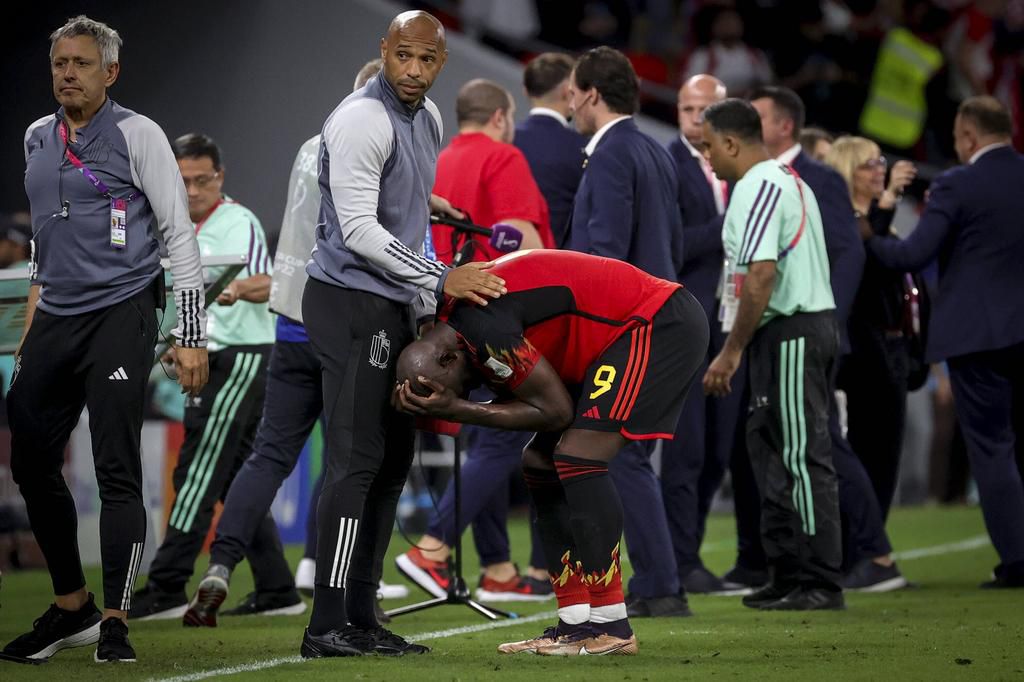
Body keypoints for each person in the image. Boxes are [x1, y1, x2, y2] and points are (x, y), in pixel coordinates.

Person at [298, 10, 507, 658]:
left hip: (391, 305)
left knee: (391, 466)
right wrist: (442, 277)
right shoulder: (362, 119)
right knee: (356, 462)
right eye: (403, 56)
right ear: (383, 50)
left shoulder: (430, 118)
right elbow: (359, 229)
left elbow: (402, 208)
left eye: (427, 59)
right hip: (347, 303)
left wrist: (423, 288)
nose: (414, 70)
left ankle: (363, 616)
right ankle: (324, 624)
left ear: (442, 62)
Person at [3, 15, 208, 663]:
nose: (68, 73)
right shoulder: (36, 137)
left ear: (110, 72)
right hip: (56, 317)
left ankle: (116, 620)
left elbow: (178, 234)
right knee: (30, 459)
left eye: (81, 63)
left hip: (123, 312)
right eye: (60, 63)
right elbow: (45, 238)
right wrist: (31, 324)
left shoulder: (138, 134)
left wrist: (192, 334)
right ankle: (73, 608)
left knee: (115, 466)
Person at [182, 58, 410, 630]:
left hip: (290, 320)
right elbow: (370, 231)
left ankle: (220, 566)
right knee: (352, 464)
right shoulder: (377, 144)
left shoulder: (312, 146)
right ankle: (353, 593)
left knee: (268, 457)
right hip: (346, 321)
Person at [393, 249, 709, 655]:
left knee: (580, 456)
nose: (470, 390)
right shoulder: (460, 326)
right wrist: (453, 405)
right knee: (539, 463)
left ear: (448, 357)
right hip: (611, 337)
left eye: (460, 386)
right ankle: (574, 624)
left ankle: (612, 625)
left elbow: (555, 411)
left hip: (655, 321)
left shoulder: (482, 329)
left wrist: (458, 409)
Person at [397, 78, 554, 603]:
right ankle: (433, 547)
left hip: (447, 315)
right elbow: (525, 244)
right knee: (503, 437)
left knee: (480, 436)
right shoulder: (504, 157)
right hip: (498, 311)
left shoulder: (437, 161)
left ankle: (497, 567)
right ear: (501, 116)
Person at [750, 86, 907, 592]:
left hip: (812, 332)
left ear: (785, 125)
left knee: (823, 443)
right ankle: (812, 559)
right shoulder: (767, 176)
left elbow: (850, 252)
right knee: (803, 444)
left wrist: (825, 319)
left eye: (758, 117)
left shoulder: (815, 179)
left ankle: (875, 554)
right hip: (781, 332)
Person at [127, 133, 288, 619]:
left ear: (221, 177)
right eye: (183, 181)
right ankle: (277, 588)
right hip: (202, 355)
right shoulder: (170, 226)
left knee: (196, 469)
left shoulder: (239, 221)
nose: (193, 190)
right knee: (234, 477)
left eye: (202, 180)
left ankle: (167, 585)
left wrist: (233, 288)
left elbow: (272, 280)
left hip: (239, 355)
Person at [866, 96, 1024, 589]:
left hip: (978, 337)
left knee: (993, 448)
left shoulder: (958, 183)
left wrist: (869, 236)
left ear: (968, 137)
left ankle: (1017, 561)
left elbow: (913, 253)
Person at [701, 98, 844, 610]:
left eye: (709, 146)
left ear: (731, 143)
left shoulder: (758, 185)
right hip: (789, 331)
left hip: (791, 330)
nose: (707, 157)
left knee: (801, 456)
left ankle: (819, 581)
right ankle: (786, 573)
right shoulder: (787, 181)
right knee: (772, 451)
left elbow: (761, 273)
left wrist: (731, 350)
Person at [563, 46, 689, 618]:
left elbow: (603, 260)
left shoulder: (612, 154)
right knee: (625, 454)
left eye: (573, 93)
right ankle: (655, 582)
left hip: (627, 327)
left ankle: (659, 587)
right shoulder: (655, 150)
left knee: (620, 455)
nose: (569, 104)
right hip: (658, 319)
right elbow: (673, 244)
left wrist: (583, 336)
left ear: (592, 94)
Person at [662, 74, 764, 596]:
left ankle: (691, 556)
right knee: (687, 451)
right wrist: (729, 226)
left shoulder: (742, 166)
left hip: (731, 323)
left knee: (718, 450)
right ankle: (679, 561)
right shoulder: (667, 165)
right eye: (687, 109)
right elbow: (669, 244)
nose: (695, 119)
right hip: (687, 324)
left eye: (705, 110)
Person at [513, 52, 586, 245]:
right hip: (553, 256)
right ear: (566, 91)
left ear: (526, 91)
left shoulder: (505, 139)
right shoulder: (583, 149)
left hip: (498, 255)